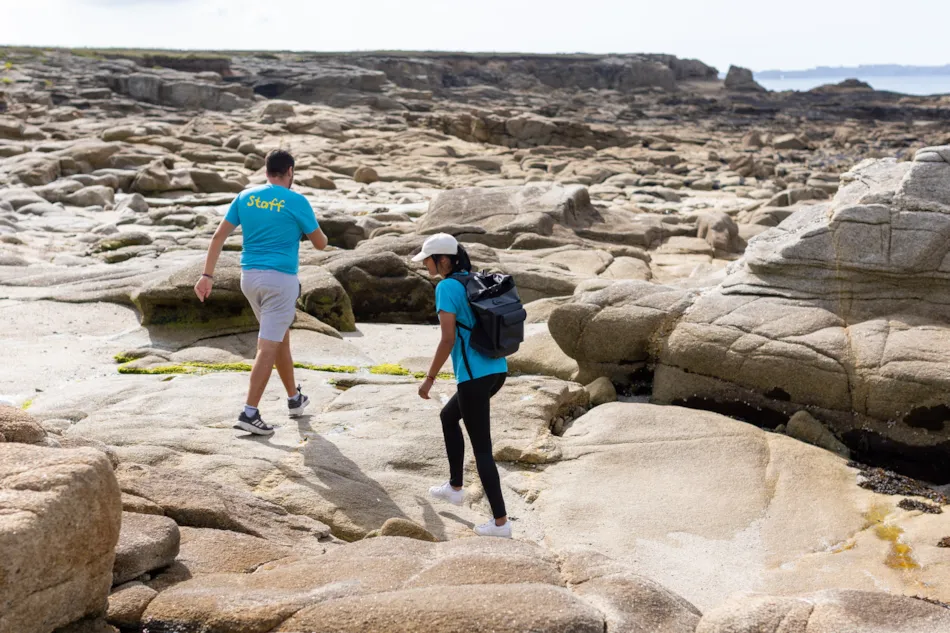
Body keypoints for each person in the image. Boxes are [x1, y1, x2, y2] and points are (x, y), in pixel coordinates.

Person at [194, 149, 328, 436]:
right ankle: (249, 412)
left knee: (280, 338)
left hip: (249, 279)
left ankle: (295, 399)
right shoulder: (296, 200)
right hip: (280, 281)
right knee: (267, 346)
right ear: (290, 171)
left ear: (266, 171)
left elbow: (218, 237)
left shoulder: (245, 197)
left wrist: (207, 275)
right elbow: (320, 244)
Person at [414, 233, 512, 538]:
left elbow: (447, 338)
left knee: (482, 448)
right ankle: (455, 487)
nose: (426, 264)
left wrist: (429, 379)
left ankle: (500, 523)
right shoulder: (474, 280)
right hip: (497, 369)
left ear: (443, 260)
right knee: (448, 417)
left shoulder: (446, 287)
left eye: (428, 259)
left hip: (475, 376)